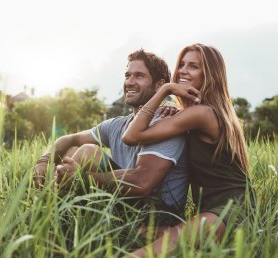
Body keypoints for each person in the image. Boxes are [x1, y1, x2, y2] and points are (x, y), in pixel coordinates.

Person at [122, 43, 255, 257]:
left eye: (193, 66)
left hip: (231, 210)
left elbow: (131, 136)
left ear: (209, 74)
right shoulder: (196, 113)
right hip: (210, 210)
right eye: (182, 64)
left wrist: (165, 90)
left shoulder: (202, 114)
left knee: (144, 253)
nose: (183, 70)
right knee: (138, 233)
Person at [34, 49, 189, 225]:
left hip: (157, 215)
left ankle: (51, 217)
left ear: (159, 85)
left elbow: (142, 182)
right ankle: (56, 213)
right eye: (127, 75)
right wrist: (43, 162)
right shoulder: (117, 124)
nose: (130, 82)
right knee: (71, 150)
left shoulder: (167, 123)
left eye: (139, 76)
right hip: (126, 205)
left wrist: (81, 178)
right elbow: (69, 139)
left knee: (87, 152)